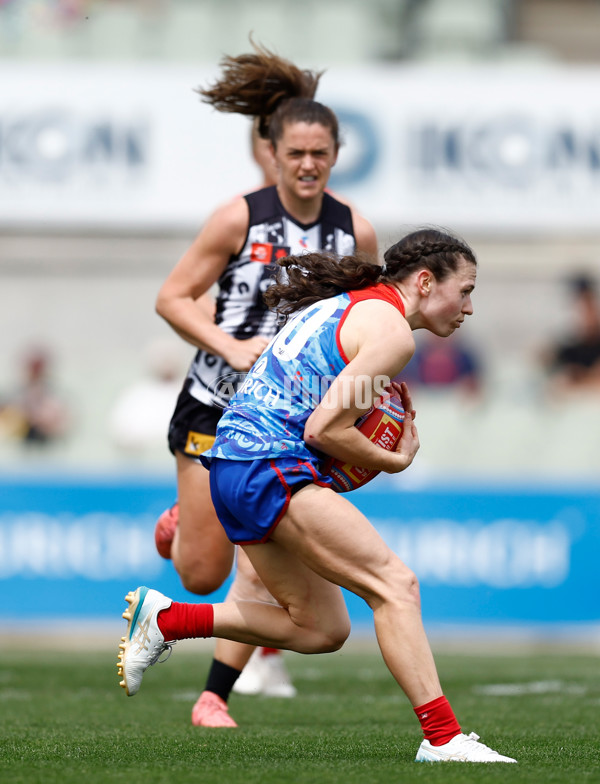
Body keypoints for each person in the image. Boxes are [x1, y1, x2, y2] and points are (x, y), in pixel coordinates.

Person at [117, 229, 516, 764]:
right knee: (396, 585)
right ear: (425, 282)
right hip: (268, 465)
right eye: (464, 289)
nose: (469, 306)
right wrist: (393, 459)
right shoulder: (393, 335)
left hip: (235, 464)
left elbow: (318, 411)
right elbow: (326, 429)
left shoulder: (348, 307)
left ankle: (167, 621)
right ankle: (443, 738)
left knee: (322, 628)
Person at [153, 42, 379, 727]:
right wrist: (233, 346)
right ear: (272, 155)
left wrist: (366, 400)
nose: (308, 165)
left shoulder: (355, 233)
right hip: (216, 403)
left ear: (337, 153)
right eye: (296, 154)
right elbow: (172, 298)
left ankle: (212, 697)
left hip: (283, 426)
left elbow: (368, 322)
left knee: (259, 569)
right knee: (199, 574)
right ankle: (181, 525)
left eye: (320, 153)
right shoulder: (237, 218)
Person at [542, 272, 600, 395]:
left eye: (589, 305)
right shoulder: (568, 351)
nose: (586, 313)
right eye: (580, 307)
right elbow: (555, 385)